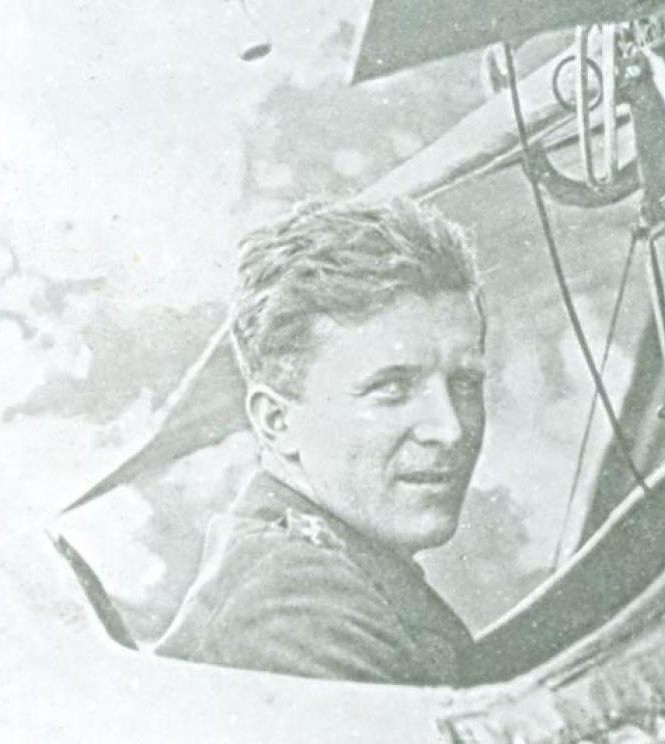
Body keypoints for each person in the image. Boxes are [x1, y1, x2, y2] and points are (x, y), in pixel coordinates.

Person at [154, 200, 486, 686]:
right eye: (392, 388)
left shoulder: (334, 575)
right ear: (276, 422)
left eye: (465, 384)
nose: (449, 428)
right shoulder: (290, 612)